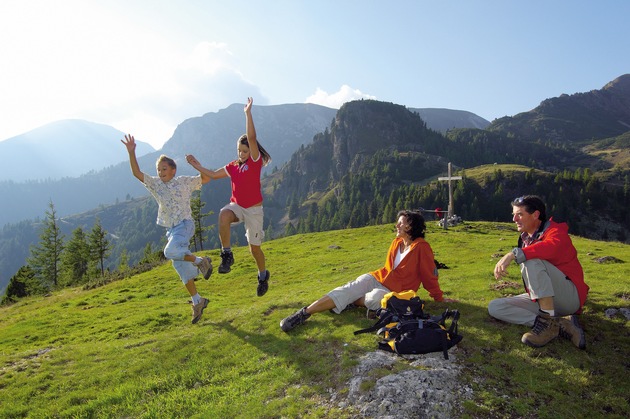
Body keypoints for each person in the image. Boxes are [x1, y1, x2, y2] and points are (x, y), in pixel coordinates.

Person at [280, 210, 457, 332]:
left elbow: (429, 275)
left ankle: (351, 302)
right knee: (349, 288)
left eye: (400, 223)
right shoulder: (396, 243)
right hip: (377, 278)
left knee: (375, 298)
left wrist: (438, 297)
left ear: (410, 226)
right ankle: (303, 314)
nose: (396, 226)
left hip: (396, 292)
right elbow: (389, 267)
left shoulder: (422, 248)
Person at [121, 134, 213, 324]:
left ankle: (201, 261)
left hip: (185, 225)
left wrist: (196, 164)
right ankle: (198, 301)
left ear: (173, 170)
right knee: (180, 267)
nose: (161, 172)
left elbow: (206, 179)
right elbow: (136, 173)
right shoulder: (156, 185)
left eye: (164, 169)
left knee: (170, 251)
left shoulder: (184, 182)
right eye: (158, 169)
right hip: (172, 230)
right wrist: (131, 152)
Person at [186, 97, 272, 297]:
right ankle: (227, 254)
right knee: (224, 214)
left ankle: (262, 275)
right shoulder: (233, 166)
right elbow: (214, 175)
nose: (241, 154)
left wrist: (247, 114)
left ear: (251, 150)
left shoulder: (255, 161)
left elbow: (252, 137)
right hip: (237, 206)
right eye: (239, 151)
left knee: (254, 250)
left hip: (254, 211)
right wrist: (196, 165)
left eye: (244, 151)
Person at [489, 195, 589, 349]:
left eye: (520, 214)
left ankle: (547, 322)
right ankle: (558, 323)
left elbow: (551, 247)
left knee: (530, 259)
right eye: (513, 215)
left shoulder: (556, 231)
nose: (514, 219)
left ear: (535, 215)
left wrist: (514, 254)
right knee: (496, 307)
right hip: (545, 299)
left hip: (569, 298)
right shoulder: (525, 238)